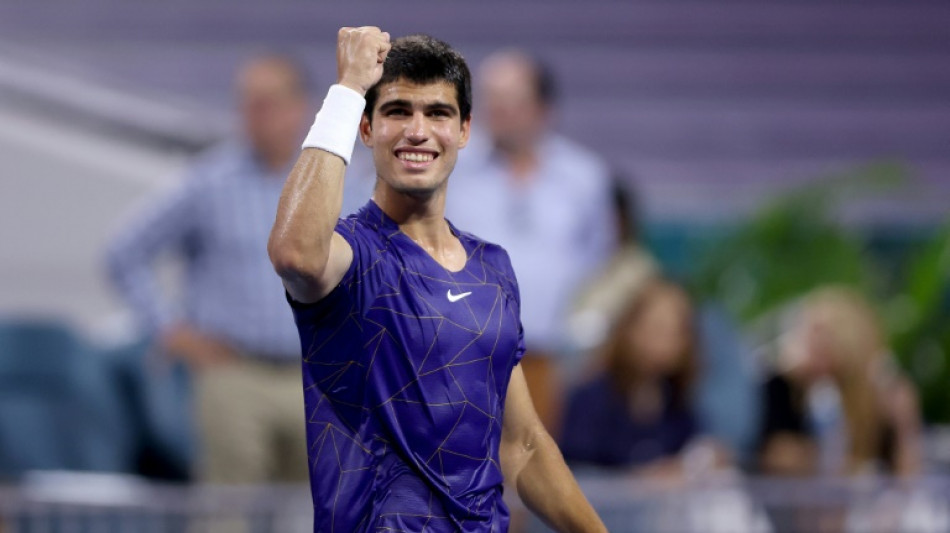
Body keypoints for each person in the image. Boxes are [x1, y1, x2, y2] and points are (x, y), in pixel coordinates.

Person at [268, 27, 606, 532]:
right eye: (397, 111)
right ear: (366, 129)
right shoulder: (351, 256)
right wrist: (347, 89)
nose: (417, 131)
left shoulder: (493, 268)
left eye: (438, 113)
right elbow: (295, 253)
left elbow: (522, 444)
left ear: (465, 130)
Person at [105, 54, 311, 484]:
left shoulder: (331, 182)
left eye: (268, 102)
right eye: (248, 103)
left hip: (313, 374)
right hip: (234, 373)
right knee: (228, 508)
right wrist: (170, 330)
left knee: (313, 507)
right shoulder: (208, 182)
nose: (256, 115)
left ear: (299, 108)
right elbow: (124, 253)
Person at [445, 49, 616, 432]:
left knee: (545, 457)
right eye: (492, 98)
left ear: (543, 107)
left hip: (555, 357)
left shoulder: (584, 177)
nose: (500, 110)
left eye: (513, 100)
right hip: (466, 354)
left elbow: (599, 261)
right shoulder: (451, 168)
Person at [560, 278, 725, 479]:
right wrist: (639, 480)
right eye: (658, 329)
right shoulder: (591, 400)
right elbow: (573, 472)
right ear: (629, 329)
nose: (666, 343)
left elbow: (697, 450)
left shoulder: (678, 403)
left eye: (677, 332)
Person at [757, 285, 922, 478]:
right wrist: (840, 463)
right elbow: (776, 455)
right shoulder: (778, 386)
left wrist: (904, 424)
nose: (813, 341)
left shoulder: (871, 401)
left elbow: (906, 474)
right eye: (811, 332)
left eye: (825, 339)